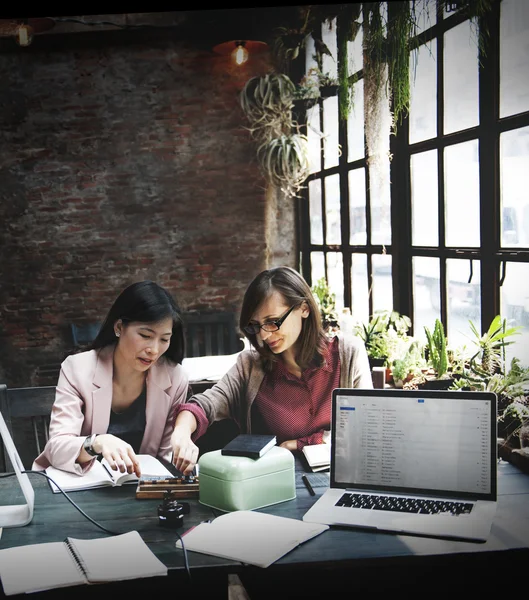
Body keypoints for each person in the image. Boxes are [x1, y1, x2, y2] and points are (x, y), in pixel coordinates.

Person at [171, 266, 373, 474]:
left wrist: (299, 443)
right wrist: (182, 431)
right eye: (256, 326)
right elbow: (206, 404)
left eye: (273, 322)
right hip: (276, 485)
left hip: (342, 479)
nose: (264, 336)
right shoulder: (250, 367)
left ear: (304, 308)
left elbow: (366, 428)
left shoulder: (348, 354)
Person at [33, 280, 189, 477]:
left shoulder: (175, 378)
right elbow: (56, 447)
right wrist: (97, 442)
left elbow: (165, 459)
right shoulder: (77, 369)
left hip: (140, 490)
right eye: (145, 335)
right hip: (80, 487)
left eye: (164, 339)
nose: (154, 349)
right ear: (119, 327)